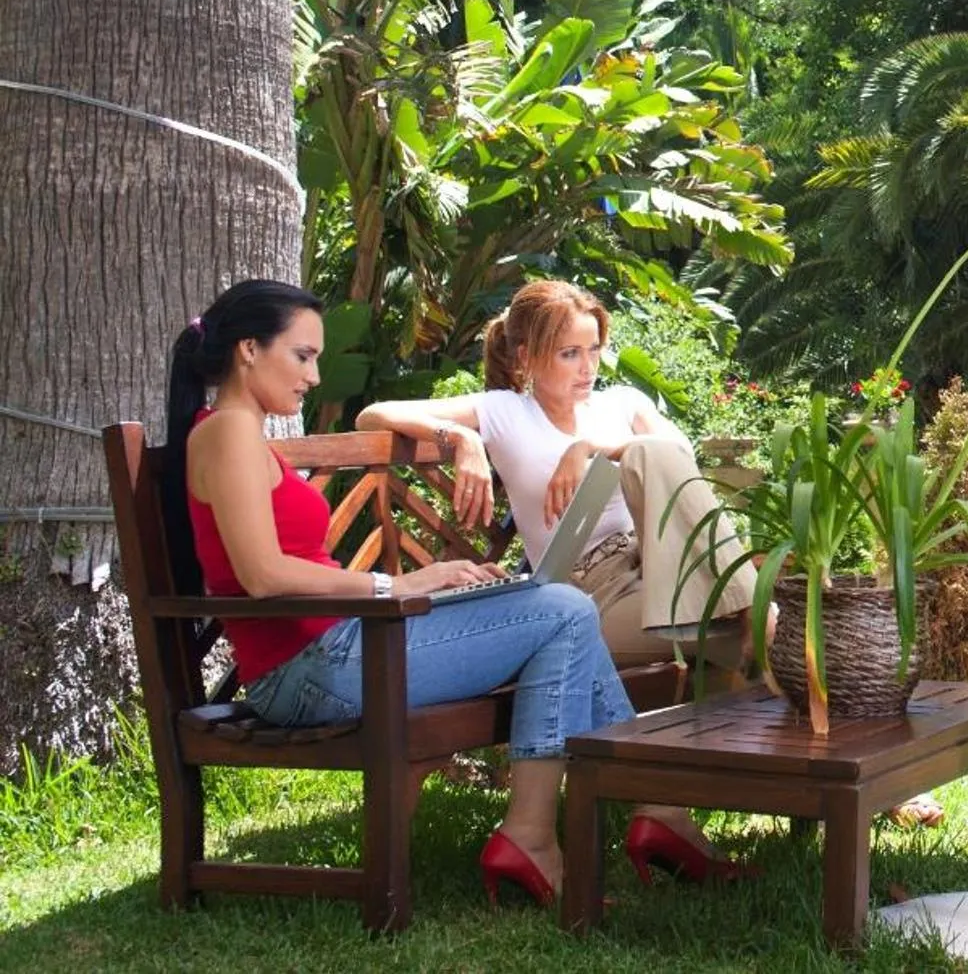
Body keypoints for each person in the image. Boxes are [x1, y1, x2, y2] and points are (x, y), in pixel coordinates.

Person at [172, 278, 653, 907]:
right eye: (303, 356)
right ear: (248, 351)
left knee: (557, 611)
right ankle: (630, 811)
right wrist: (395, 583)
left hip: (344, 648)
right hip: (315, 671)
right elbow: (264, 574)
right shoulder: (227, 433)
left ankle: (558, 830)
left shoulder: (239, 432)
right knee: (563, 611)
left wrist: (438, 585)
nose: (314, 377)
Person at [358, 278, 763, 880]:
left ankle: (670, 807)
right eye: (569, 353)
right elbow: (374, 413)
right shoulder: (501, 412)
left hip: (660, 573)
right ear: (525, 357)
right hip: (589, 598)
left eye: (594, 350)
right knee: (768, 627)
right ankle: (764, 639)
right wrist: (462, 437)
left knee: (654, 455)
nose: (587, 368)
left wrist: (591, 449)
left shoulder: (621, 402)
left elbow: (682, 466)